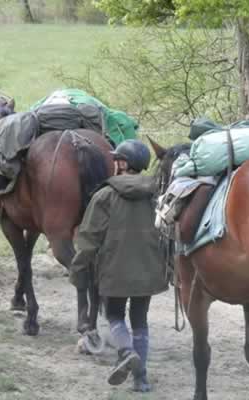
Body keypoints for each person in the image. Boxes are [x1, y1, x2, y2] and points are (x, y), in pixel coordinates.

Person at [70, 139, 168, 392]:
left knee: (113, 315)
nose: (114, 164)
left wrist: (78, 267)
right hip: (148, 270)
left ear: (124, 164)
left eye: (117, 160)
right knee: (140, 321)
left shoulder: (105, 195)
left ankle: (125, 352)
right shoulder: (157, 193)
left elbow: (89, 237)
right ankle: (141, 379)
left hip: (114, 270)